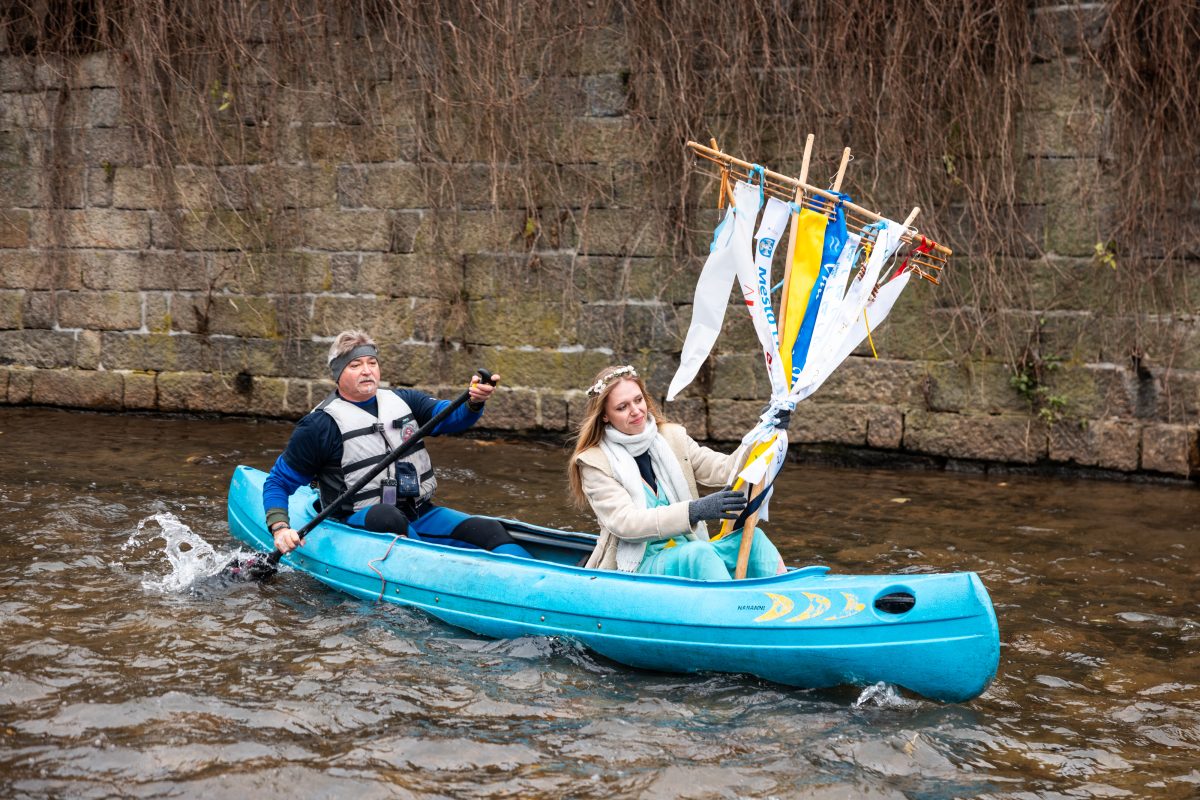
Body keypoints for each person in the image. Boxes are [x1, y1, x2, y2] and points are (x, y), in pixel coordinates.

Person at [263, 329, 531, 559]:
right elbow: (278, 482)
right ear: (338, 374)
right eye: (355, 366)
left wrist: (474, 401)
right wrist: (280, 527)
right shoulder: (319, 426)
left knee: (490, 530)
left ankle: (529, 580)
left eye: (372, 362)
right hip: (357, 521)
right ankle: (433, 568)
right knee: (386, 517)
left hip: (416, 512)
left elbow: (451, 417)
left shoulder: (404, 401)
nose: (367, 371)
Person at [568, 364, 786, 579]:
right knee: (699, 554)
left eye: (638, 400)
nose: (635, 411)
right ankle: (735, 609)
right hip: (636, 566)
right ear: (605, 416)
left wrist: (763, 430)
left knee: (754, 539)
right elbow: (626, 523)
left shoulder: (672, 438)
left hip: (689, 550)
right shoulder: (594, 462)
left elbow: (725, 469)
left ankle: (780, 602)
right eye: (622, 407)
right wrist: (694, 511)